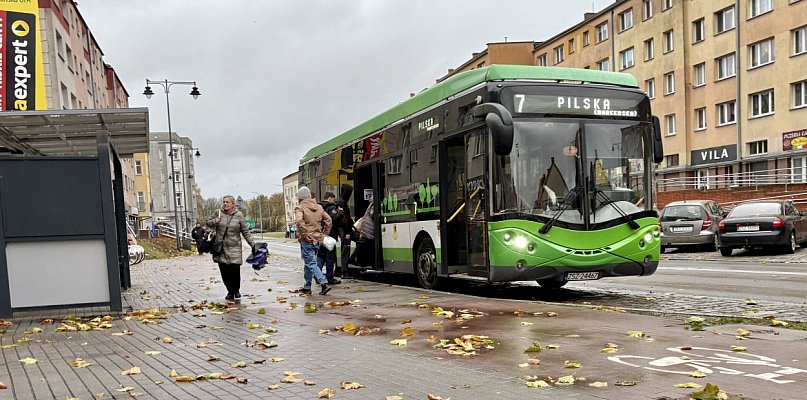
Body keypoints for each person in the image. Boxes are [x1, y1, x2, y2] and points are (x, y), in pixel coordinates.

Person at [206, 195, 256, 301]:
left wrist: (253, 245)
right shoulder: (218, 212)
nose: (225, 204)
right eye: (224, 202)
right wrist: (215, 221)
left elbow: (245, 232)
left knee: (235, 270)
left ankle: (236, 290)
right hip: (221, 247)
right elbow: (208, 223)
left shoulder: (239, 215)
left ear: (233, 204)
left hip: (235, 247)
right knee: (225, 271)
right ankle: (230, 291)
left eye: (227, 202)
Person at [294, 186, 333, 295]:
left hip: (307, 240)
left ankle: (323, 282)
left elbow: (299, 221)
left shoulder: (300, 208)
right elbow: (329, 221)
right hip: (317, 240)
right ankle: (307, 286)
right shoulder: (319, 207)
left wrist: (305, 235)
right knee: (308, 263)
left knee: (311, 262)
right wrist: (324, 234)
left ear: (300, 198)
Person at [317, 192, 342, 285]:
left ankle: (317, 275)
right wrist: (340, 213)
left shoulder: (319, 207)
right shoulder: (331, 207)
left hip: (321, 235)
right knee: (330, 258)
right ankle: (330, 278)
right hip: (330, 236)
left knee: (320, 256)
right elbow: (333, 219)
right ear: (330, 198)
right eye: (333, 199)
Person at [334, 184, 353, 278]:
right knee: (345, 250)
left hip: (341, 229)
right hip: (344, 230)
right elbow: (345, 220)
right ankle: (344, 272)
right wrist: (348, 232)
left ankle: (344, 270)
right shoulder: (343, 203)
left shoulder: (338, 202)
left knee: (344, 249)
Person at [349, 202, 375, 268]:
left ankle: (357, 260)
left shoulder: (371, 204)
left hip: (367, 226)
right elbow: (372, 214)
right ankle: (355, 258)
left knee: (365, 243)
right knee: (366, 243)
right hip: (369, 226)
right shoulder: (374, 203)